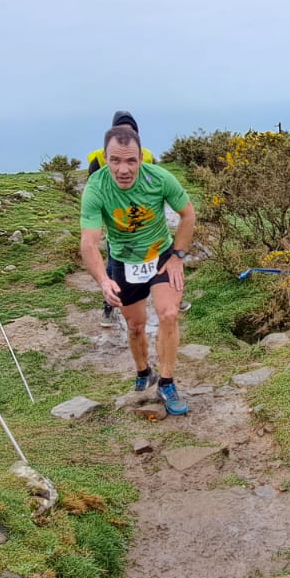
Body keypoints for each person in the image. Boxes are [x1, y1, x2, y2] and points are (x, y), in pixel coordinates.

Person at [80, 122, 196, 415]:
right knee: (135, 326)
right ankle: (144, 371)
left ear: (141, 159)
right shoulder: (96, 188)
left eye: (131, 160)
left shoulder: (159, 178)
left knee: (169, 314)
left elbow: (188, 213)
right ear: (105, 159)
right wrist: (104, 280)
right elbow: (90, 242)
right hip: (123, 261)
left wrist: (178, 256)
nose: (123, 169)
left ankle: (167, 383)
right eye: (115, 160)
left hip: (160, 256)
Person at [85, 111, 187, 327]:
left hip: (146, 223)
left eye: (132, 131)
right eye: (122, 129)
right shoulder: (97, 159)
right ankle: (109, 303)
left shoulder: (147, 156)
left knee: (162, 264)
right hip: (117, 228)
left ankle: (174, 296)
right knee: (114, 263)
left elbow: (153, 178)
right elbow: (93, 184)